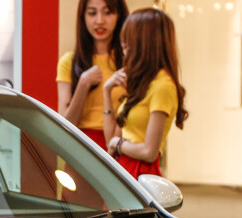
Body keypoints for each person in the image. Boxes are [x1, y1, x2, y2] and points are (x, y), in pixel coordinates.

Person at [101, 7, 187, 178]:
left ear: (144, 43)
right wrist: (107, 90)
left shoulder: (162, 85)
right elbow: (111, 138)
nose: (124, 50)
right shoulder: (145, 83)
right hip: (125, 168)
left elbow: (149, 151)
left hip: (140, 172)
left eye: (128, 43)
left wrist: (118, 144)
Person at [56, 0, 129, 149]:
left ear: (119, 15)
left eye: (107, 12)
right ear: (83, 17)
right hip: (81, 150)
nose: (100, 21)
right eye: (92, 13)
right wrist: (83, 84)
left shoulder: (130, 61)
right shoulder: (68, 62)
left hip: (121, 146)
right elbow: (63, 126)